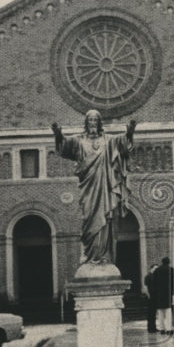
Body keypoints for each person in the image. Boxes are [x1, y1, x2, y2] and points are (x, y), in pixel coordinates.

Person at [51, 111, 135, 265]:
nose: (92, 123)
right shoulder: (79, 140)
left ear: (99, 123)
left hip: (104, 186)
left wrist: (129, 133)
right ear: (86, 123)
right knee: (89, 218)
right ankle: (89, 255)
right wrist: (58, 135)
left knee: (105, 219)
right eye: (90, 120)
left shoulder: (108, 140)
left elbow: (123, 143)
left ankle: (103, 256)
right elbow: (64, 146)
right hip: (88, 187)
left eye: (95, 120)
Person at [152, 256, 174, 334]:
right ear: (168, 262)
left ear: (162, 262)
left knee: (160, 312)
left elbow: (153, 281)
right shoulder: (171, 269)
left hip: (159, 294)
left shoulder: (157, 270)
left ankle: (162, 329)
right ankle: (169, 329)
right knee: (168, 311)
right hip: (167, 293)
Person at [144, 263, 159, 334]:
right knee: (150, 313)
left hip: (155, 297)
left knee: (154, 313)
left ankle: (154, 327)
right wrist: (148, 296)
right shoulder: (148, 276)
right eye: (155, 268)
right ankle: (150, 328)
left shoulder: (156, 276)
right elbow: (145, 287)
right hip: (151, 297)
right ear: (151, 268)